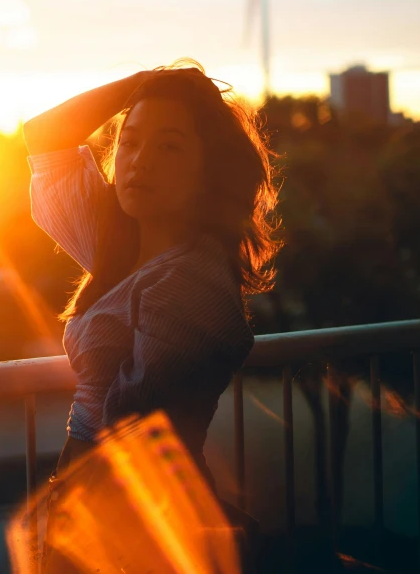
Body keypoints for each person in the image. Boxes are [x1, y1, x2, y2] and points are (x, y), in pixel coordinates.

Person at [23, 59, 283, 573]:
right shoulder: (118, 247)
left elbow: (131, 434)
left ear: (208, 171)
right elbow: (46, 136)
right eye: (130, 142)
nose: (139, 161)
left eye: (169, 146)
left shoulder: (190, 280)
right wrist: (150, 80)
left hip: (144, 525)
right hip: (105, 514)